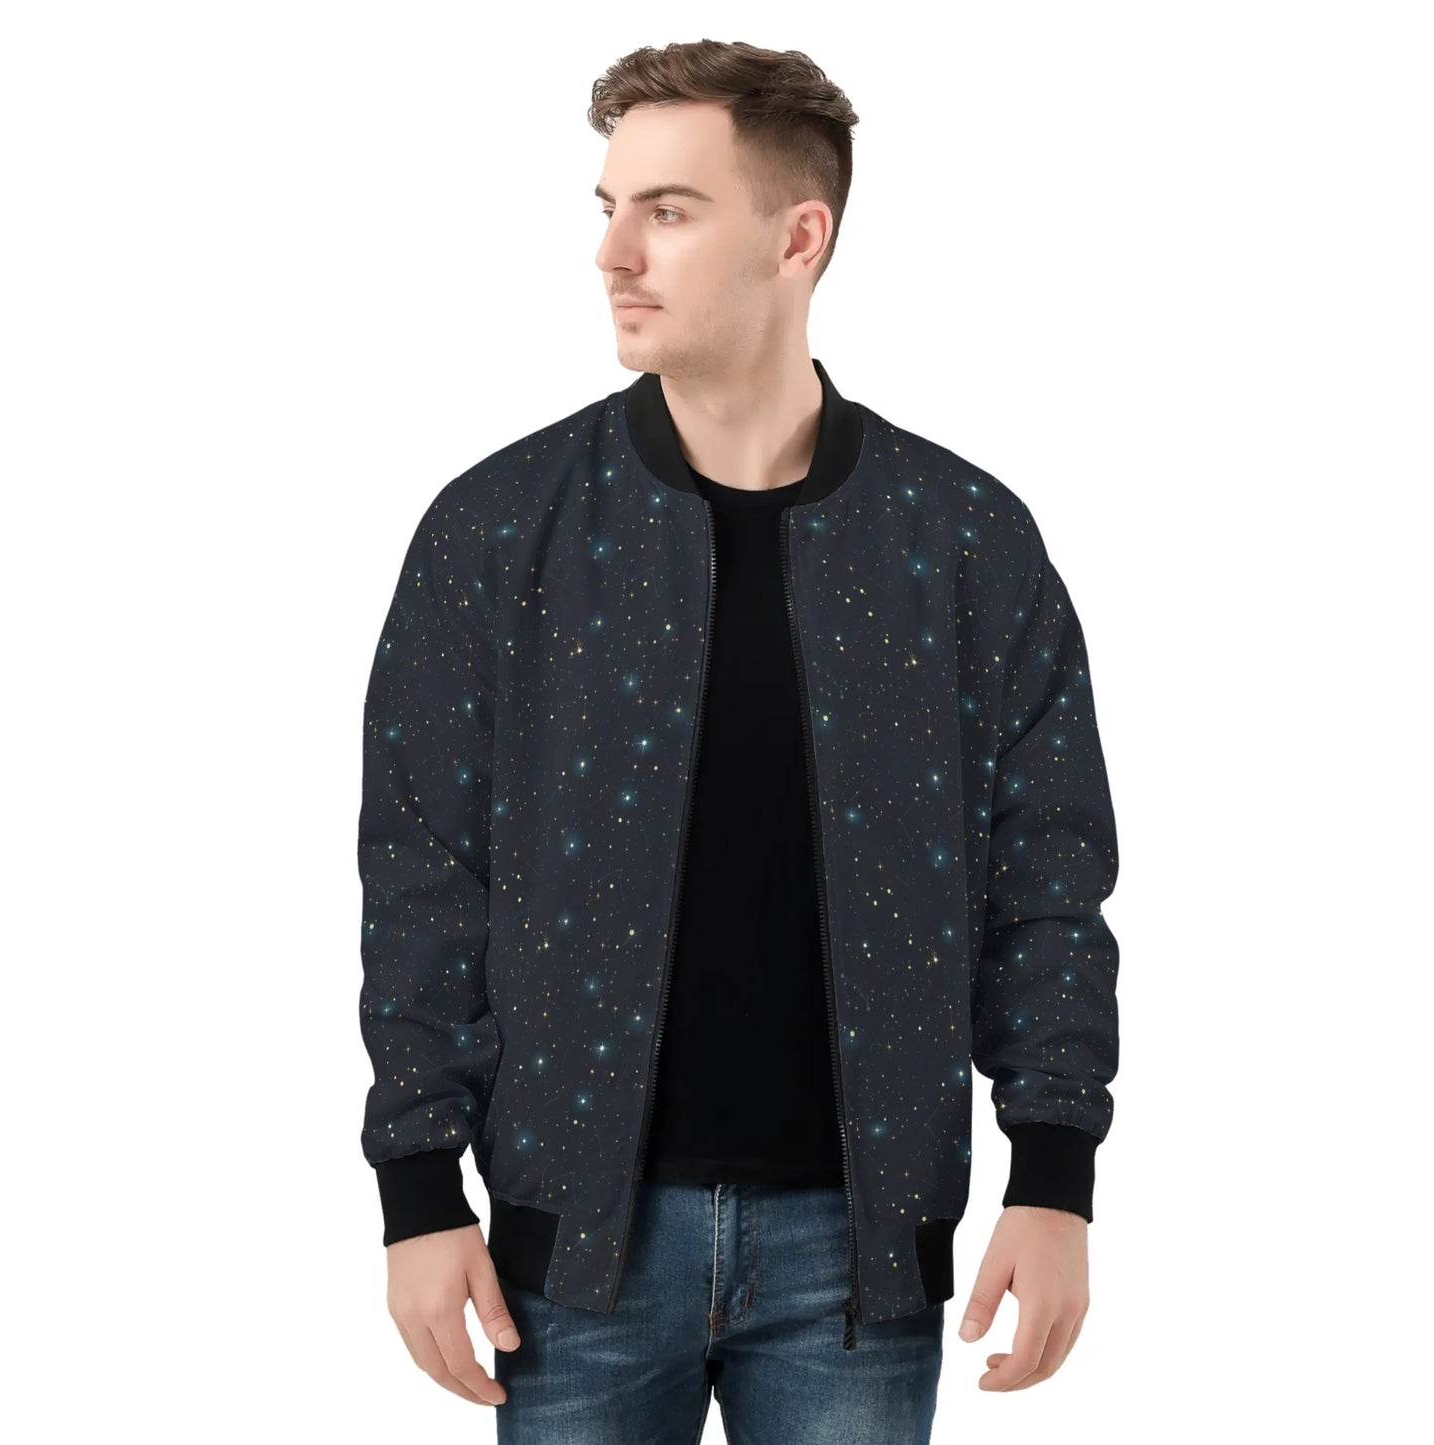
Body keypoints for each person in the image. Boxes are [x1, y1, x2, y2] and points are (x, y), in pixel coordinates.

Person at [357, 38, 1120, 1443]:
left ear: (797, 236)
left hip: (858, 1258)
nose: (613, 253)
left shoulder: (962, 541)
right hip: (568, 1257)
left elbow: (1048, 879)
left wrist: (1053, 1173)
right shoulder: (499, 532)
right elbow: (422, 876)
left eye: (668, 209)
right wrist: (418, 1190)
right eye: (609, 208)